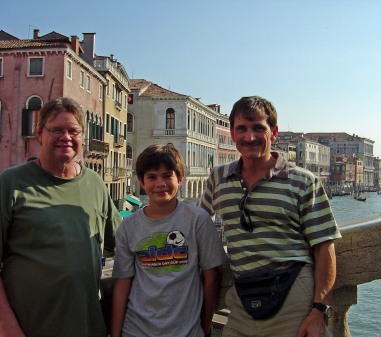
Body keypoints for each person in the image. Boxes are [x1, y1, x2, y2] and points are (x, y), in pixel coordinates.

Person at [197, 96, 342, 337]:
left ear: (273, 132)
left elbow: (325, 248)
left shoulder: (303, 181)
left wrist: (319, 311)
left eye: (258, 129)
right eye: (241, 129)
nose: (249, 137)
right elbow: (197, 225)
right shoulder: (218, 178)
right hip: (242, 300)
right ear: (232, 133)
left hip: (294, 299)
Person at [0, 97, 121, 337]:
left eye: (73, 131)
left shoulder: (95, 183)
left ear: (82, 136)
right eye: (56, 130)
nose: (66, 137)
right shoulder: (10, 183)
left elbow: (124, 241)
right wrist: (8, 329)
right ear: (39, 133)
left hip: (89, 328)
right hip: (29, 329)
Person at [111, 145, 228, 337]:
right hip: (136, 331)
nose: (160, 183)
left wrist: (204, 329)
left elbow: (211, 279)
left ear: (180, 179)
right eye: (152, 177)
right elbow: (122, 285)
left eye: (167, 176)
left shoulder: (198, 220)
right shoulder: (128, 226)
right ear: (141, 181)